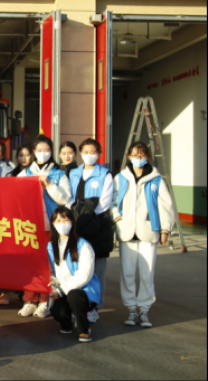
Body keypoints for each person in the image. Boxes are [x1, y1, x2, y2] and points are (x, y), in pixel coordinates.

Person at [111, 141, 173, 328]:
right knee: (128, 274)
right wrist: (117, 218)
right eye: (135, 155)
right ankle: (131, 309)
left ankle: (144, 310)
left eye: (142, 155)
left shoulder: (156, 179)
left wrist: (165, 230)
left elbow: (166, 205)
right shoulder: (121, 178)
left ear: (148, 157)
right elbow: (112, 201)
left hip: (148, 232)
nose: (138, 159)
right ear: (129, 157)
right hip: (127, 232)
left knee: (147, 274)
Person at [17, 135, 72, 318]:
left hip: (52, 226)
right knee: (30, 263)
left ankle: (45, 301)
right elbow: (15, 197)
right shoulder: (25, 174)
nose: (43, 153)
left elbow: (65, 199)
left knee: (49, 264)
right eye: (39, 150)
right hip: (29, 226)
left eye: (47, 150)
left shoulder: (59, 174)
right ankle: (29, 300)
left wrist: (48, 185)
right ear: (34, 152)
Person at [67, 138, 114, 324]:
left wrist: (87, 214)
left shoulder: (105, 174)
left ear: (99, 153)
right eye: (86, 152)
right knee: (77, 266)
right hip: (76, 223)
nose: (89, 155)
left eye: (93, 152)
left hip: (97, 224)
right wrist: (75, 213)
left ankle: (94, 307)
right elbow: (69, 196)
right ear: (80, 153)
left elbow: (105, 201)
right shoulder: (73, 173)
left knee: (97, 268)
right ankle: (78, 305)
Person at [48, 206, 101, 343]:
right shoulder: (50, 247)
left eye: (66, 220)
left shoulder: (83, 245)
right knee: (57, 311)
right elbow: (50, 272)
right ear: (53, 224)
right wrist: (53, 282)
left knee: (74, 295)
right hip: (61, 290)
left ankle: (84, 329)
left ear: (72, 222)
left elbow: (85, 274)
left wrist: (62, 290)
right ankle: (66, 323)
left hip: (83, 292)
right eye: (58, 221)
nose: (62, 224)